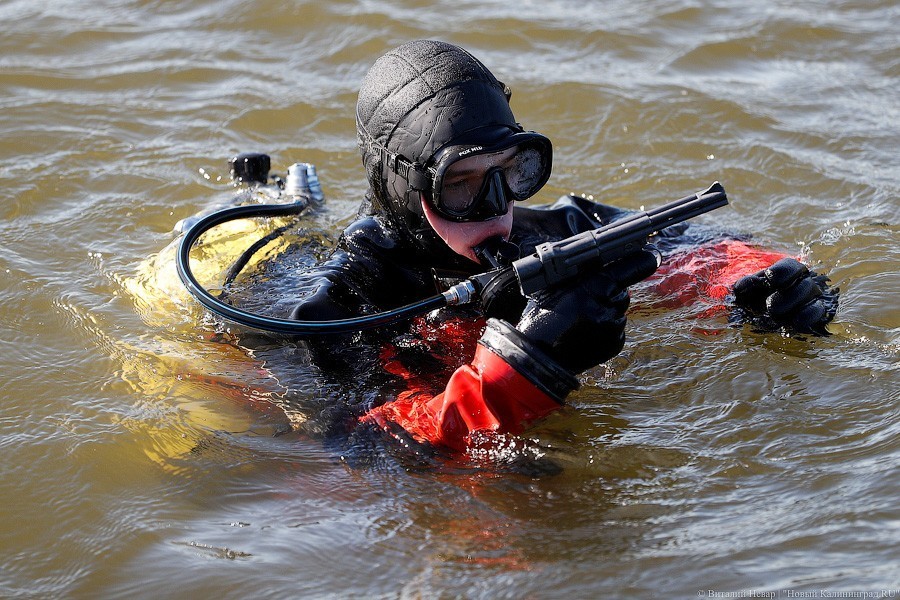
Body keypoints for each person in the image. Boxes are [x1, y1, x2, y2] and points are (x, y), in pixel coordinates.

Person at [283, 40, 837, 454]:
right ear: (409, 191)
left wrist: (754, 287)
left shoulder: (553, 230)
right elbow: (368, 450)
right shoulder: (339, 305)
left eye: (512, 170)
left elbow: (686, 248)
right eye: (462, 183)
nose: (499, 205)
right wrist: (533, 365)